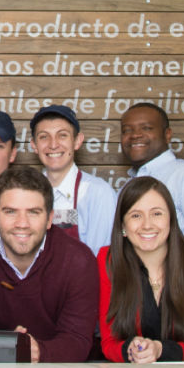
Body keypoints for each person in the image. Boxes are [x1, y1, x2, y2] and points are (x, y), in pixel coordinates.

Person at [0, 166, 99, 362]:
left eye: (33, 212)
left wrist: (37, 351)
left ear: (50, 218)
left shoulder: (78, 260)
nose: (22, 223)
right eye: (11, 212)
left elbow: (77, 340)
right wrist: (6, 345)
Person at [97, 176, 184, 363]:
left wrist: (160, 350)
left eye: (157, 214)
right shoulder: (108, 260)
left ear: (171, 219)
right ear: (123, 225)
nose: (147, 225)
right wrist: (130, 349)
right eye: (136, 215)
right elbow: (109, 342)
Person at [119, 103, 184, 243]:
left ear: (167, 134)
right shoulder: (128, 186)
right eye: (127, 130)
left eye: (146, 128)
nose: (135, 135)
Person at [29, 104, 117, 255]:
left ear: (77, 141)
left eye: (62, 135)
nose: (53, 144)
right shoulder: (27, 193)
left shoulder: (98, 193)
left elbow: (101, 257)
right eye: (44, 137)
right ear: (34, 145)